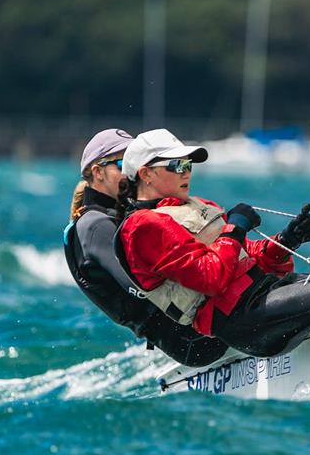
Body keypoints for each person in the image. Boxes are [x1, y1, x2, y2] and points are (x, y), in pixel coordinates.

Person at [115, 128, 310, 358]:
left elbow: (249, 256)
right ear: (146, 174)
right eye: (176, 165)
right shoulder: (143, 227)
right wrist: (235, 229)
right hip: (238, 318)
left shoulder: (198, 205)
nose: (186, 172)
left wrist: (288, 239)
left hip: (264, 292)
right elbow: (210, 278)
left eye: (188, 164)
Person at [64, 129, 228, 366]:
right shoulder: (96, 225)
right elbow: (144, 288)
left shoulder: (129, 214)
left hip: (199, 327)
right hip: (193, 342)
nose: (131, 169)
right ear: (98, 172)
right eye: (122, 163)